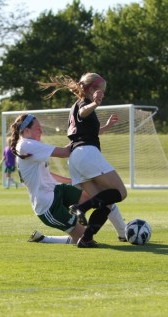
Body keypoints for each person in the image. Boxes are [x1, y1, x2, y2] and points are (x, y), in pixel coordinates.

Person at [39, 73, 128, 248]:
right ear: (92, 89)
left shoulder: (74, 107)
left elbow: (84, 132)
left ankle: (86, 238)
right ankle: (82, 207)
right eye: (100, 90)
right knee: (120, 192)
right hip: (87, 154)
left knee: (106, 204)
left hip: (75, 158)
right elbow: (84, 111)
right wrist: (95, 103)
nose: (102, 93)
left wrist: (106, 127)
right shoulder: (83, 104)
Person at [9, 113, 87, 244]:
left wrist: (69, 181)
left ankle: (121, 232)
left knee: (94, 196)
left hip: (56, 191)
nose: (41, 130)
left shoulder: (28, 145)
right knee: (84, 238)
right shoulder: (27, 144)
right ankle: (45, 239)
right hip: (48, 206)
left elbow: (46, 174)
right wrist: (81, 133)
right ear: (27, 131)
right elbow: (65, 152)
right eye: (38, 128)